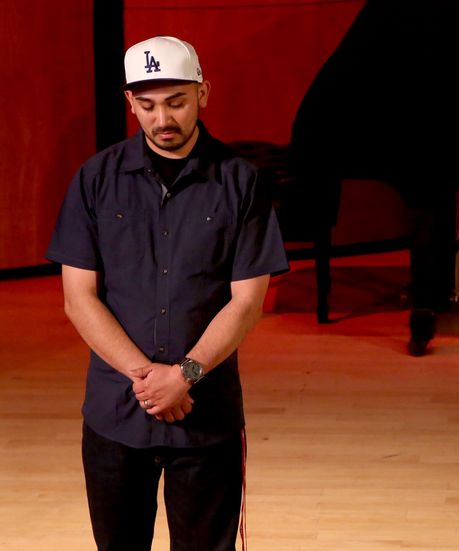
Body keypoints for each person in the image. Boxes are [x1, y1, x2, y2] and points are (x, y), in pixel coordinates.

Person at [45, 36, 289, 550]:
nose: (163, 120)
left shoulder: (241, 182)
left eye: (176, 101)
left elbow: (247, 303)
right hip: (116, 414)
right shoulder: (94, 179)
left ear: (204, 93)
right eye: (148, 105)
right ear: (130, 102)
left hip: (208, 418)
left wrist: (186, 375)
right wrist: (149, 380)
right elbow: (78, 299)